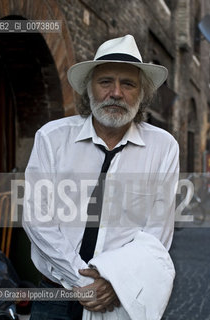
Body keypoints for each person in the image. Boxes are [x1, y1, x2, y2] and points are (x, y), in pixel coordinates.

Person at [23, 34, 179, 320]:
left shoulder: (163, 147)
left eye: (128, 84)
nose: (116, 93)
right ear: (89, 89)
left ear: (141, 93)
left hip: (118, 299)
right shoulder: (52, 138)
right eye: (105, 81)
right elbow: (37, 218)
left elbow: (157, 233)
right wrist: (82, 281)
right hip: (56, 294)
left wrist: (113, 281)